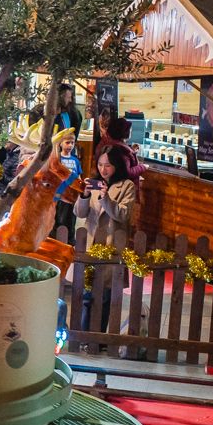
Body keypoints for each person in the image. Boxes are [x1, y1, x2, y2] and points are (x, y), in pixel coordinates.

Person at [74, 145, 140, 342]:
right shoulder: (95, 184)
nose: (103, 169)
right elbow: (80, 213)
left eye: (108, 165)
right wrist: (85, 195)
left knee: (104, 298)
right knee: (87, 296)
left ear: (117, 166)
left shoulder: (127, 186)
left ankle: (97, 339)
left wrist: (106, 198)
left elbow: (123, 215)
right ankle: (85, 338)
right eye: (100, 165)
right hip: (91, 245)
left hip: (112, 246)